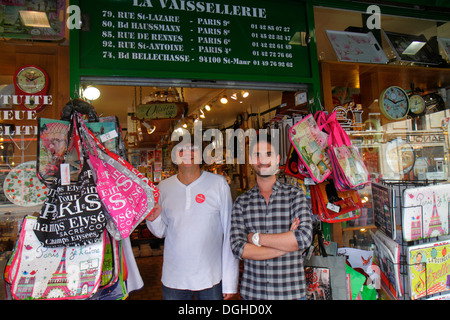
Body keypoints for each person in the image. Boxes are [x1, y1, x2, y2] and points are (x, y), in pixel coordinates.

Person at [146, 142, 239, 300]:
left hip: (211, 277)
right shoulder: (163, 187)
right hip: (174, 278)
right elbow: (161, 231)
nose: (188, 154)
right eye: (181, 150)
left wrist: (230, 280)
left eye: (193, 149)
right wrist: (153, 220)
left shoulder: (218, 184)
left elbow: (230, 231)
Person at [230, 135, 313, 300]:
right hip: (254, 293)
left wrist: (256, 238)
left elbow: (303, 238)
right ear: (251, 161)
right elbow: (238, 248)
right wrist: (286, 245)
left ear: (277, 159)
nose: (263, 160)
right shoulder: (242, 202)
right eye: (257, 155)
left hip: (291, 293)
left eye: (268, 154)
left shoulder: (294, 196)